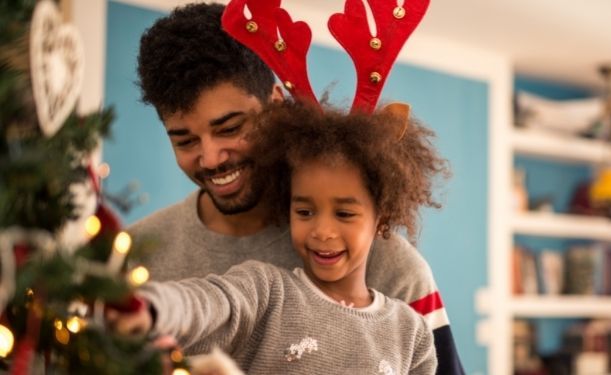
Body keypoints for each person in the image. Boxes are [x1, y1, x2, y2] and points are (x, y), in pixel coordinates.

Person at [129, 3, 465, 373]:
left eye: (229, 128)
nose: (210, 159)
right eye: (185, 141)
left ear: (275, 106)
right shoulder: (135, 258)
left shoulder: (393, 270)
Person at [115, 101, 445, 374]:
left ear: (381, 218)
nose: (323, 232)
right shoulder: (266, 291)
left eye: (344, 214)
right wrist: (151, 308)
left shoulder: (411, 333)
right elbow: (209, 303)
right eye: (305, 212)